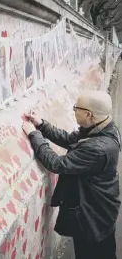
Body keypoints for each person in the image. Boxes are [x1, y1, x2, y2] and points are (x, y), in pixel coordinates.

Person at [22, 90, 121, 259]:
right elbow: (69, 139)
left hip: (93, 217)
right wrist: (41, 125)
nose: (74, 110)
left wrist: (34, 135)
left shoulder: (97, 148)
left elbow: (57, 164)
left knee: (92, 253)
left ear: (88, 114)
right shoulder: (102, 126)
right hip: (98, 211)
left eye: (77, 108)